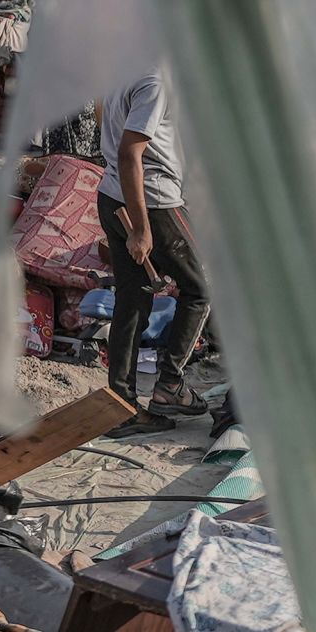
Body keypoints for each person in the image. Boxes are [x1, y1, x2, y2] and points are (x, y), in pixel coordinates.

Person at [96, 70, 211, 438]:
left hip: (112, 194)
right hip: (152, 202)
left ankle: (122, 405)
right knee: (200, 291)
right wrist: (142, 228)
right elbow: (131, 152)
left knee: (132, 301)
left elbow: (105, 119)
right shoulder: (155, 78)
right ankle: (169, 386)